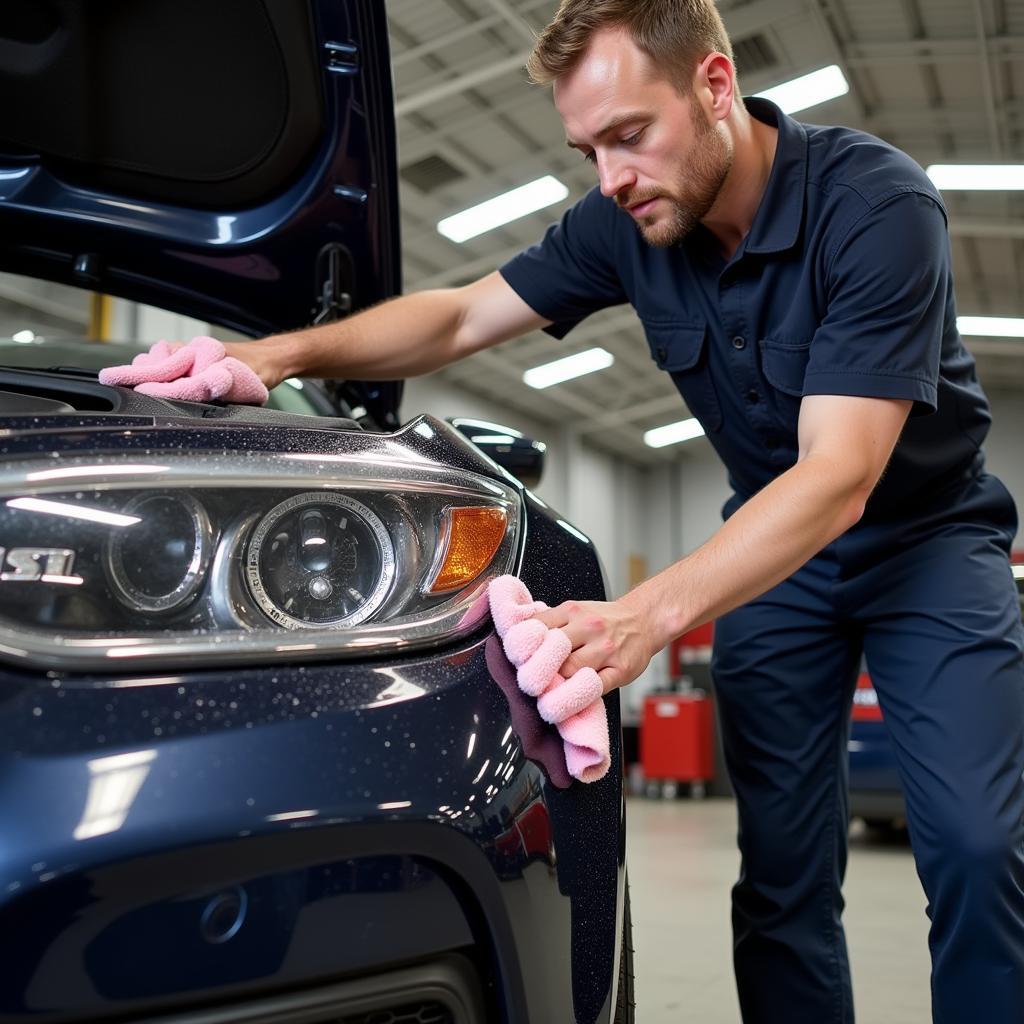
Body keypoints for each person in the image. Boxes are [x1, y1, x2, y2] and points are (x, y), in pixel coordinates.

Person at [222, 2, 1024, 1019]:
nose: (610, 179)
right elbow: (466, 312)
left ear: (715, 86)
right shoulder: (624, 221)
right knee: (780, 874)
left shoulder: (874, 206)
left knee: (975, 845)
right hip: (775, 556)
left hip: (928, 542)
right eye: (587, 148)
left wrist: (643, 615)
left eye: (630, 135)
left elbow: (836, 477)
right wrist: (276, 353)